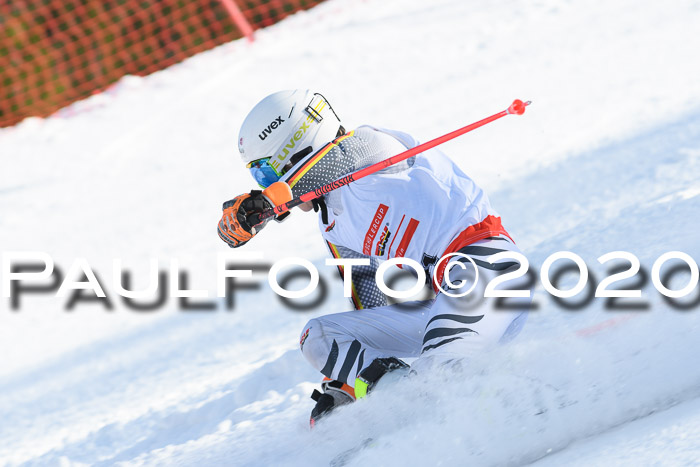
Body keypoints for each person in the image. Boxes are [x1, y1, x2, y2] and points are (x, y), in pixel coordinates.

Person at [218, 90, 530, 426]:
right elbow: (370, 308)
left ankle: (534, 408)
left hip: (486, 271)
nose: (266, 184)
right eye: (260, 179)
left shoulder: (371, 147)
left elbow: (336, 160)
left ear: (296, 149)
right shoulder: (332, 224)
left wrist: (267, 202)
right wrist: (350, 383)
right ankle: (400, 409)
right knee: (318, 337)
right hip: (444, 304)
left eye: (266, 174)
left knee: (436, 383)